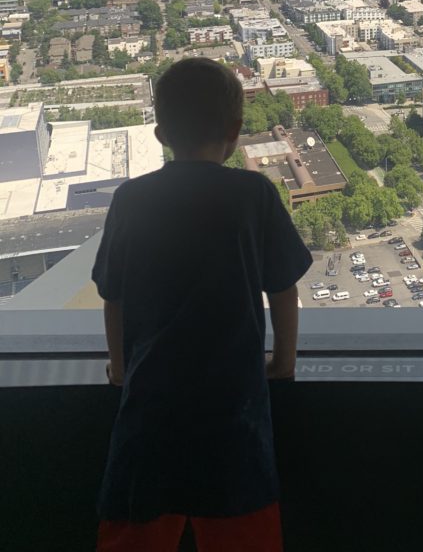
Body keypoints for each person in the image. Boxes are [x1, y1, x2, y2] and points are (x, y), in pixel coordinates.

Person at [92, 57, 312, 552]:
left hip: (151, 408)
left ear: (160, 133)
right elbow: (283, 290)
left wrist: (122, 368)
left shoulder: (132, 198)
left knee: (134, 532)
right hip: (233, 413)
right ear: (235, 131)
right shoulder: (254, 194)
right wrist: (283, 362)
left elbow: (114, 295)